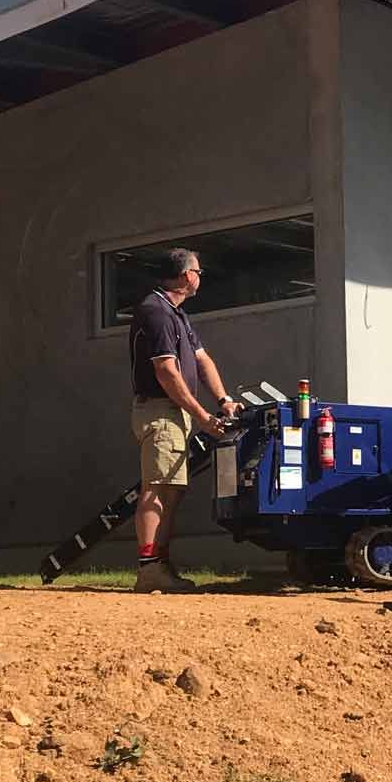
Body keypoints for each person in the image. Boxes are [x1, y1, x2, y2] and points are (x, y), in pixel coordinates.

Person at [128, 248, 240, 592]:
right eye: (198, 271)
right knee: (158, 489)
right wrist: (204, 416)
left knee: (172, 489)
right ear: (185, 276)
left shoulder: (177, 315)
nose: (200, 277)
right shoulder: (156, 312)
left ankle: (158, 562)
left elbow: (202, 360)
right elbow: (166, 373)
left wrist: (223, 401)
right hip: (161, 410)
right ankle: (149, 568)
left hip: (174, 413)